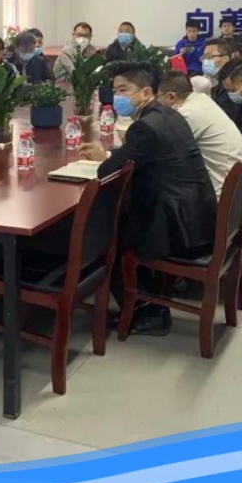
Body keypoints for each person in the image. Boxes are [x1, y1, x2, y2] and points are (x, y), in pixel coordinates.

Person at [79, 63, 216, 336]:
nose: (118, 96)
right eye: (115, 90)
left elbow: (109, 171)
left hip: (177, 226)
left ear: (145, 92)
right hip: (197, 215)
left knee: (109, 238)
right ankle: (148, 302)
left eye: (124, 90)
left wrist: (108, 158)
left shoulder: (145, 127)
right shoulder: (167, 114)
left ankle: (147, 311)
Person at [157, 71, 242, 198]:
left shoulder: (187, 114)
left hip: (226, 194)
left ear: (171, 97)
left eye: (158, 98)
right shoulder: (203, 99)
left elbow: (163, 152)